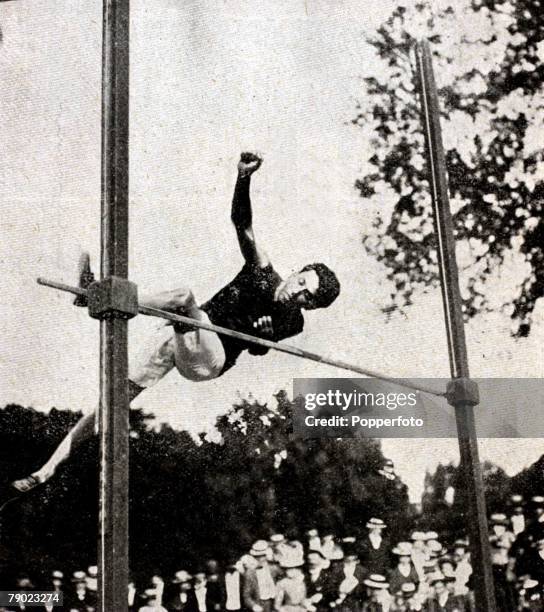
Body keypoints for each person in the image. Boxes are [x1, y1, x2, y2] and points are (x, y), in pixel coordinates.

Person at [3, 152, 340, 504]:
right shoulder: (261, 270)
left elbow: (255, 348)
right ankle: (44, 471)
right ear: (297, 272)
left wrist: (265, 338)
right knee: (114, 401)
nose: (297, 293)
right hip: (182, 332)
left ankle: (98, 297)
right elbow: (243, 224)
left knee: (184, 298)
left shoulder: (293, 322)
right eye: (302, 281)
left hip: (210, 360)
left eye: (307, 297)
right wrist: (243, 177)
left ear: (311, 307)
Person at [243, 540, 281, 612]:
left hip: (275, 602)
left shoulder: (274, 569)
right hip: (260, 604)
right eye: (257, 557)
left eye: (263, 556)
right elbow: (246, 595)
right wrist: (253, 605)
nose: (260, 559)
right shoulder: (250, 573)